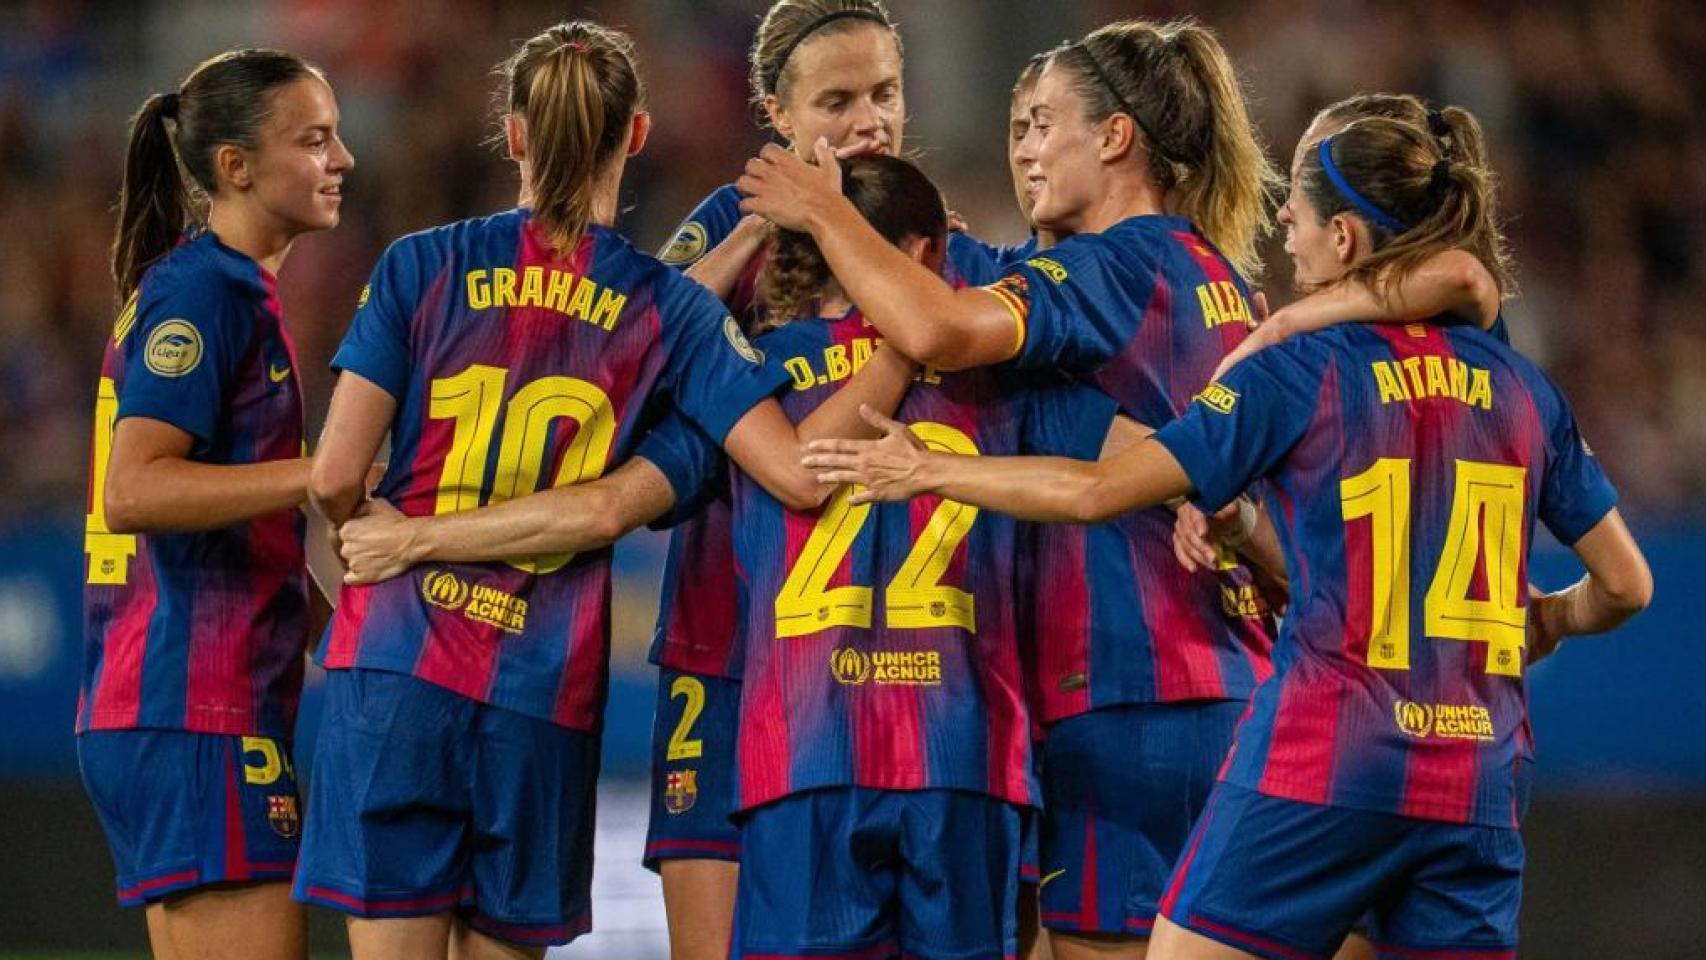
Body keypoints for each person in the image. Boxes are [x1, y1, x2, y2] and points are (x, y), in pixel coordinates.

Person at [802, 113, 1653, 960]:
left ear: (1347, 237)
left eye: (1299, 221)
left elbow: (1097, 491)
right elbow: (1626, 586)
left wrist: (930, 471)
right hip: (1478, 776)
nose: (1285, 235)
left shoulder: (1295, 370)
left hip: (1326, 755)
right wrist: (1552, 619)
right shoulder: (1523, 387)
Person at [293, 21, 914, 960]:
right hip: (541, 689)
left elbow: (335, 476)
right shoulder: (670, 312)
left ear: (512, 136)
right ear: (637, 135)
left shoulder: (420, 262)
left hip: (397, 667)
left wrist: (391, 544)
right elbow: (771, 470)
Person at [741, 19, 1282, 957]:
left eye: (1040, 124)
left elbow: (943, 330)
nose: (1022, 151)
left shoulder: (1112, 266)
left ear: (1113, 137)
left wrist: (827, 210)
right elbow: (1177, 460)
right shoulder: (1223, 281)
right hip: (1243, 681)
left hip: (1123, 685)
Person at [732, 152, 1123, 960]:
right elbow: (1154, 458)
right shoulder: (1005, 377)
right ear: (923, 255)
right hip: (961, 750)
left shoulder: (749, 366)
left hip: (802, 753)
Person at [78, 48, 353, 960]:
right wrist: (314, 474)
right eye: (314, 140)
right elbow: (136, 488)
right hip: (190, 706)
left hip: (194, 706)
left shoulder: (225, 289)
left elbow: (247, 527)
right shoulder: (205, 293)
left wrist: (350, 646)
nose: (342, 159)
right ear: (234, 166)